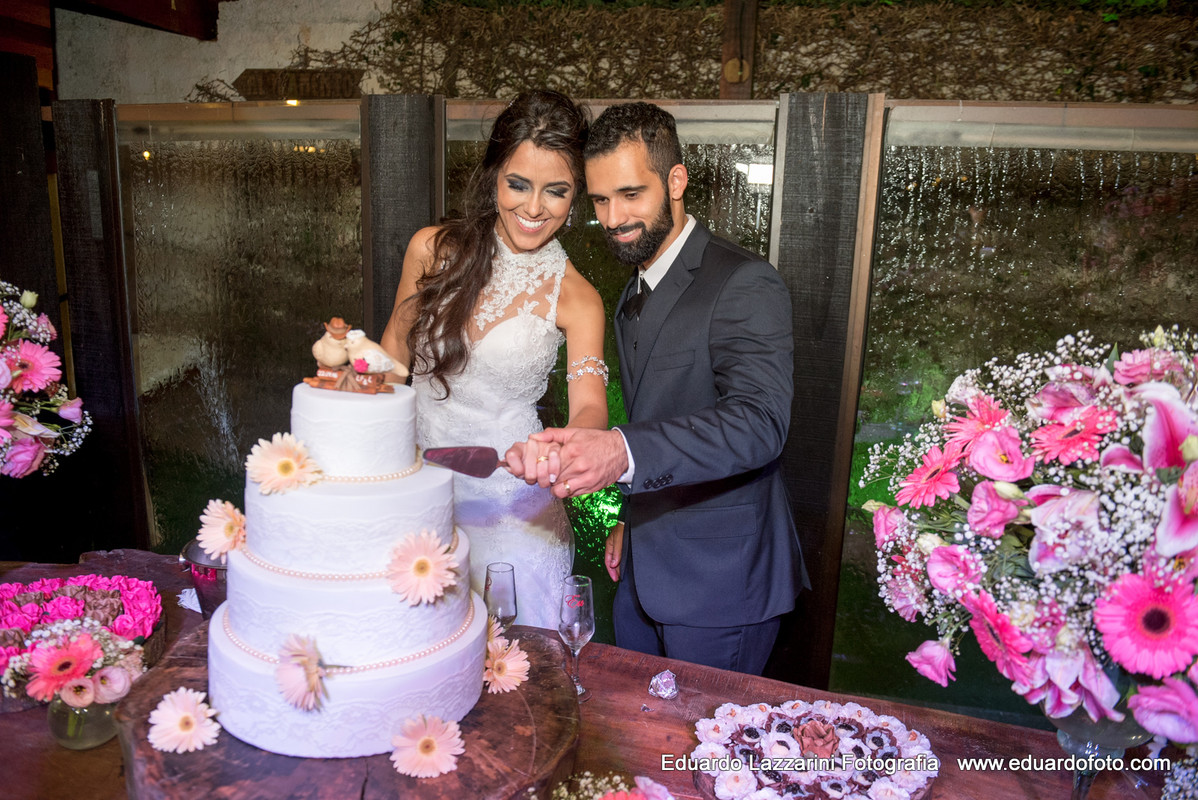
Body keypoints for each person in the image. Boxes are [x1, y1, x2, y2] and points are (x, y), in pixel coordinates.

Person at [508, 101, 808, 674]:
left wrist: (621, 451)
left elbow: (759, 424)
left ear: (675, 181)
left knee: (714, 734)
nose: (614, 217)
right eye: (600, 200)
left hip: (722, 584)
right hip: (642, 570)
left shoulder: (744, 281)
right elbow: (664, 415)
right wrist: (630, 515)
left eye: (630, 194)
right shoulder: (633, 290)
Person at [380, 90, 608, 630]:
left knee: (512, 668)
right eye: (518, 184)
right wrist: (363, 433)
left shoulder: (578, 298)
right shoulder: (431, 250)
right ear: (494, 177)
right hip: (414, 495)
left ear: (576, 194)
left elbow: (591, 409)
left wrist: (560, 448)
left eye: (556, 191)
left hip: (513, 512)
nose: (534, 209)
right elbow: (393, 354)